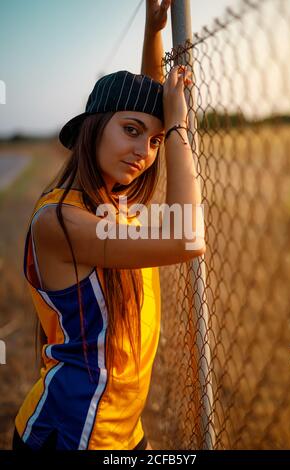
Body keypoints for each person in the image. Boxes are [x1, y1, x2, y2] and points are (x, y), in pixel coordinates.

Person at [12, 0, 205, 451]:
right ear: (92, 129)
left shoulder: (109, 199)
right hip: (70, 433)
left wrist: (152, 32)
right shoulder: (62, 222)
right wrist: (177, 128)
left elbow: (141, 103)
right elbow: (188, 238)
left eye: (155, 141)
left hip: (121, 432)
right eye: (131, 132)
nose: (145, 151)